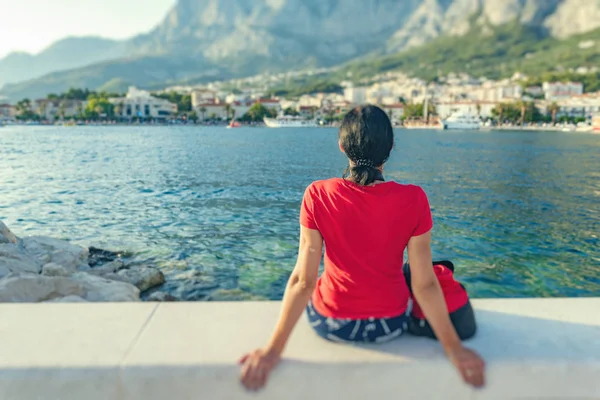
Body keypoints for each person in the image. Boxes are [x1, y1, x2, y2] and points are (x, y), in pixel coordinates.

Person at [240, 105, 485, 390]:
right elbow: (425, 285)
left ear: (342, 146)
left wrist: (271, 352)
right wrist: (454, 349)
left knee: (322, 282)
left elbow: (303, 281)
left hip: (331, 325)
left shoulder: (317, 194)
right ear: (391, 147)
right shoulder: (414, 199)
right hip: (389, 325)